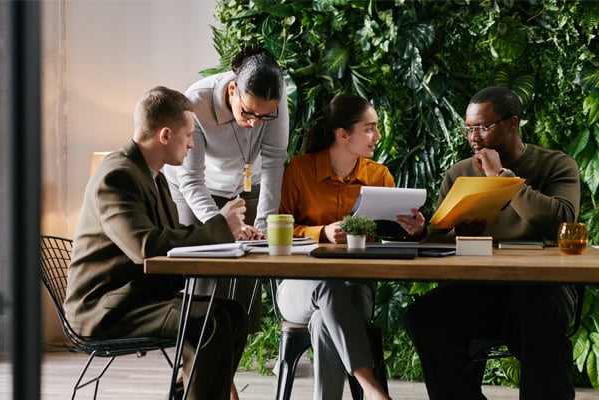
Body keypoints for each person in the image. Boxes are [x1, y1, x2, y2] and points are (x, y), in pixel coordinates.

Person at [64, 86, 249, 400]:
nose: (192, 144)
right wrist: (219, 227)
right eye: (188, 134)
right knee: (211, 323)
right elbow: (146, 245)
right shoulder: (117, 176)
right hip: (106, 308)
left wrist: (230, 237)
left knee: (232, 313)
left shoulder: (155, 175)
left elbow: (171, 236)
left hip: (138, 297)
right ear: (165, 135)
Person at [404, 86, 581, 400]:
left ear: (512, 124)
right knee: (423, 317)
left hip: (544, 287)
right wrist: (428, 234)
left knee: (535, 312)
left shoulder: (555, 165)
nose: (474, 137)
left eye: (483, 127)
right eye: (469, 128)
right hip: (480, 288)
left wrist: (501, 178)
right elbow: (441, 239)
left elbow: (562, 224)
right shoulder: (458, 173)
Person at [277, 94, 423, 400]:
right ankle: (372, 389)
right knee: (328, 287)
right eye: (369, 128)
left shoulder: (379, 176)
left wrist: (412, 229)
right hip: (298, 286)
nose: (378, 136)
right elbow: (278, 231)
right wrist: (321, 232)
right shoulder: (300, 170)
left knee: (323, 322)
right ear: (343, 134)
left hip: (357, 288)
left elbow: (394, 235)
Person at [164, 44, 289, 332]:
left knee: (247, 272)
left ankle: (227, 363)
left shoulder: (274, 103)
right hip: (197, 187)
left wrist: (262, 229)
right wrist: (221, 224)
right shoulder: (195, 103)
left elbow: (273, 164)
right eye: (248, 112)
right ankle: (194, 359)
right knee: (205, 270)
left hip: (248, 184)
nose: (255, 122)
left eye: (264, 117)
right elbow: (191, 179)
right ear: (233, 90)